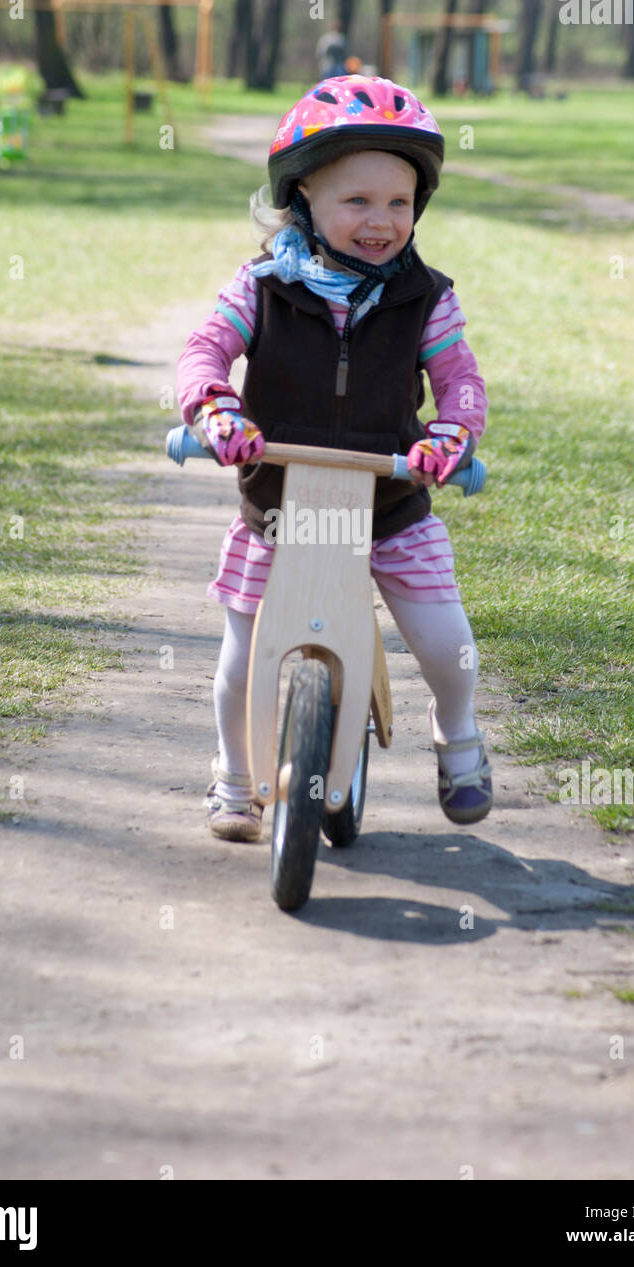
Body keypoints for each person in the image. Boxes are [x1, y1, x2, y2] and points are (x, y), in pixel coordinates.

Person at [176, 74, 490, 843]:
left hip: (390, 502)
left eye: (399, 202)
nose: (381, 222)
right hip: (277, 507)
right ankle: (234, 778)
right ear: (301, 199)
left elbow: (459, 381)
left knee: (447, 644)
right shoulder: (262, 287)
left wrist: (451, 434)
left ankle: (457, 736)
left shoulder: (427, 297)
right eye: (356, 201)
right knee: (242, 656)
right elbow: (203, 350)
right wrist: (214, 407)